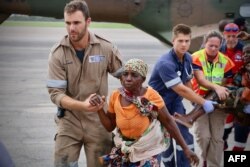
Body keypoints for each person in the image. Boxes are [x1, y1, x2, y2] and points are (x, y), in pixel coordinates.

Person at [46, 0, 123, 166]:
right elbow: (56, 94)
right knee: (62, 164)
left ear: (88, 21)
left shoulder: (105, 48)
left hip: (99, 122)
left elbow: (127, 78)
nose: (71, 28)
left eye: (76, 23)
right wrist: (83, 106)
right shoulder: (57, 53)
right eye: (67, 23)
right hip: (69, 121)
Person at [90, 58, 199, 166]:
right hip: (125, 149)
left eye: (134, 75)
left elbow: (168, 122)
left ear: (142, 79)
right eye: (125, 74)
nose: (128, 78)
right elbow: (110, 127)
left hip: (148, 150)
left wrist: (186, 148)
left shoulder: (151, 96)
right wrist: (99, 109)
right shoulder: (115, 95)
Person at [148, 24, 215, 167]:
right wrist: (203, 102)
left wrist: (194, 103)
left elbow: (186, 82)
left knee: (184, 136)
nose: (184, 44)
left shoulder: (188, 59)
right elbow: (181, 89)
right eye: (180, 41)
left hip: (175, 103)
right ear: (173, 41)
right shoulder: (165, 63)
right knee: (166, 141)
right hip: (159, 106)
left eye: (187, 41)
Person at [220, 23, 245, 150]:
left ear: (238, 36)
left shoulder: (244, 50)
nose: (231, 39)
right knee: (223, 130)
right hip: (225, 91)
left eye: (234, 36)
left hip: (244, 95)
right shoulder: (219, 50)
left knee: (241, 137)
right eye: (228, 36)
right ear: (224, 35)